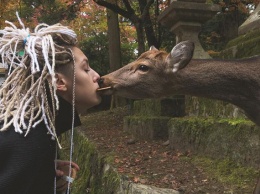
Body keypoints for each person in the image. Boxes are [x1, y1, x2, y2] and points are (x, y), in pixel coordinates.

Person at [0, 14, 102, 194]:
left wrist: (44, 173)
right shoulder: (30, 141)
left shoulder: (32, 129)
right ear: (59, 82)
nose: (97, 76)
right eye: (86, 69)